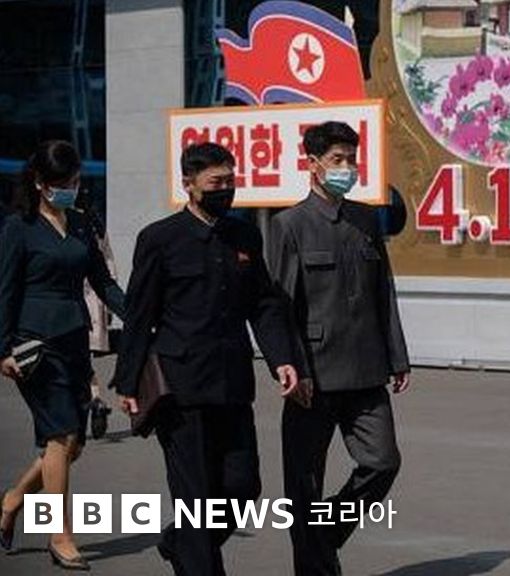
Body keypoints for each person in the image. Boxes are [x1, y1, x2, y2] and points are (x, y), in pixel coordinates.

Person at [112, 142, 302, 576]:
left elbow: (263, 303)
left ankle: (179, 542)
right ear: (189, 184)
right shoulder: (160, 239)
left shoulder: (244, 236)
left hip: (233, 384)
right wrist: (127, 381)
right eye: (216, 183)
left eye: (230, 182)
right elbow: (140, 314)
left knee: (242, 488)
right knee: (196, 501)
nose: (225, 190)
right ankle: (194, 553)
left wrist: (281, 358)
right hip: (181, 388)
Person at [269, 121, 410, 576]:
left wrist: (397, 356)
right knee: (304, 483)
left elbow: (383, 291)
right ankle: (316, 564)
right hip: (313, 375)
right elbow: (281, 307)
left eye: (351, 158)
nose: (347, 167)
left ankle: (326, 530)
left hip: (367, 370)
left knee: (382, 462)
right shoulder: (288, 225)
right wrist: (292, 367)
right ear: (312, 164)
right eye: (337, 159)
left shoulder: (366, 220)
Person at [0, 140, 126, 570]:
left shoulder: (81, 222)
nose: (70, 189)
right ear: (39, 182)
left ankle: (12, 500)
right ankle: (60, 536)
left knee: (71, 446)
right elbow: (5, 290)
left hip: (74, 340)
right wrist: (2, 348)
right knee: (61, 435)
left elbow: (103, 283)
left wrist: (139, 315)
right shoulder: (18, 227)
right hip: (33, 345)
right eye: (62, 183)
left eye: (74, 181)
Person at [77, 188, 116, 439]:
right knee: (83, 360)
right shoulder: (96, 226)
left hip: (75, 299)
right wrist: (110, 307)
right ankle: (95, 399)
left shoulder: (69, 226)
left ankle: (89, 401)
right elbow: (109, 266)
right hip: (95, 300)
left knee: (77, 360)